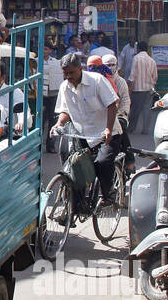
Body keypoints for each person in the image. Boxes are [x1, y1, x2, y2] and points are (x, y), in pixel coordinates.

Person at [51, 52, 120, 203]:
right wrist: (59, 124)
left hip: (106, 134)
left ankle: (107, 195)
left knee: (102, 163)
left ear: (80, 68)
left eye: (71, 72)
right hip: (82, 135)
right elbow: (65, 110)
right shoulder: (64, 87)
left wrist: (108, 128)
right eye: (65, 73)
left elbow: (112, 104)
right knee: (75, 166)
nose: (69, 76)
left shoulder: (97, 81)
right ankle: (76, 206)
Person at [128, 41, 158, 135]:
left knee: (135, 110)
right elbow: (155, 76)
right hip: (149, 89)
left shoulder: (136, 58)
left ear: (138, 49)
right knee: (147, 109)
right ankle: (145, 129)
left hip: (138, 89)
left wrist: (130, 89)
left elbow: (133, 76)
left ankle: (131, 128)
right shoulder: (151, 60)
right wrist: (152, 85)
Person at [42, 44, 64, 151]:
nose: (43, 51)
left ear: (50, 50)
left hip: (53, 95)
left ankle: (51, 146)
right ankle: (38, 145)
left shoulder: (56, 63)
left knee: (52, 121)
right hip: (40, 96)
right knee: (40, 121)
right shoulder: (35, 61)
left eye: (45, 49)